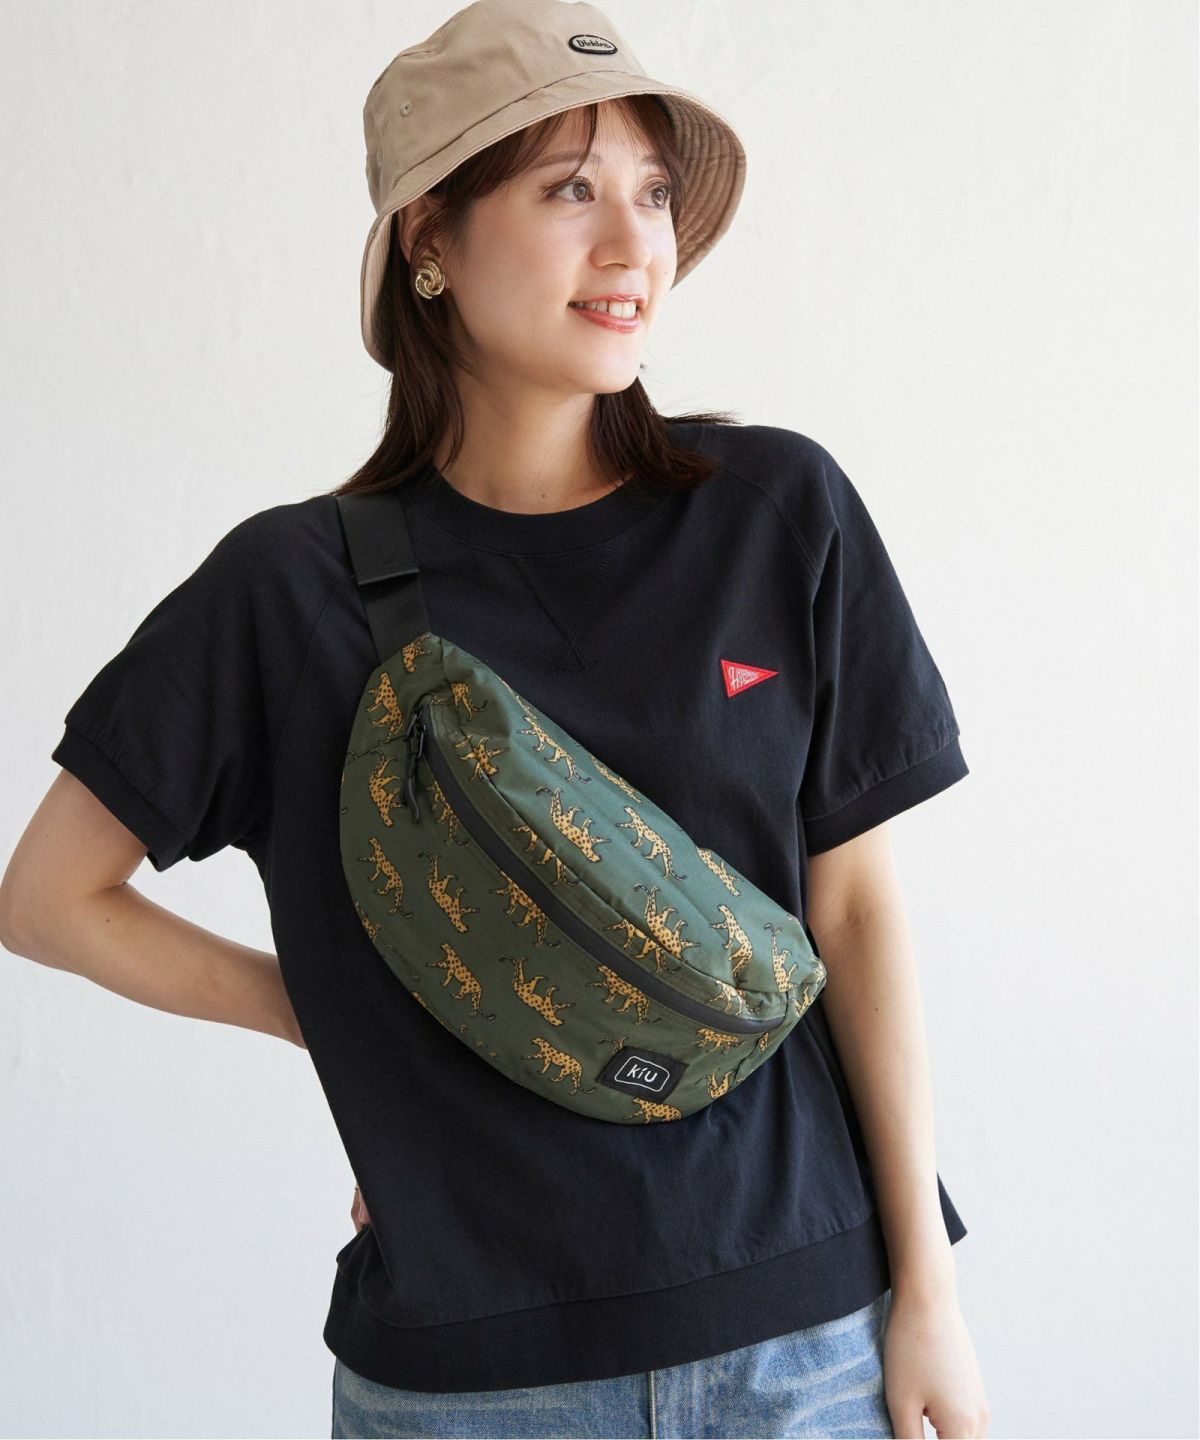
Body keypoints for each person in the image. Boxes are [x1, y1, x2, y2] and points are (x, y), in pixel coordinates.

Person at [0, 1, 990, 1436]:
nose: (634, 241)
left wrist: (930, 1295)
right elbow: (47, 897)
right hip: (472, 1385)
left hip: (806, 1344)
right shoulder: (292, 592)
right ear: (431, 242)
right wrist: (332, 1018)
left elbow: (857, 913)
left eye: (653, 192)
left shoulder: (778, 515)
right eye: (569, 188)